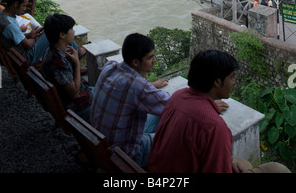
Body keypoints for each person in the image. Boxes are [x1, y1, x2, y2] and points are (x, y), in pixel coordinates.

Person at [147, 50, 290, 174]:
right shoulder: (214, 127)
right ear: (216, 82)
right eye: (232, 77)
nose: (234, 82)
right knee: (277, 169)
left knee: (240, 162)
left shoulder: (178, 97)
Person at [90, 32, 171, 168]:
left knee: (158, 114)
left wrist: (152, 85)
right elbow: (173, 105)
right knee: (175, 139)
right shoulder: (137, 86)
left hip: (101, 144)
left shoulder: (109, 67)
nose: (155, 60)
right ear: (135, 62)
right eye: (150, 57)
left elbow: (130, 88)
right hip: (126, 154)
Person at [42, 13, 93, 123]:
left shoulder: (51, 51)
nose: (74, 31)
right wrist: (77, 63)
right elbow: (75, 94)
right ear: (62, 35)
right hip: (75, 109)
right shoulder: (58, 62)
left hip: (62, 101)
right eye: (71, 29)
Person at [0, 0, 48, 65]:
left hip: (14, 55)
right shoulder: (10, 25)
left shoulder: (1, 15)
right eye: (23, 6)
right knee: (50, 32)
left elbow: (14, 36)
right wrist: (33, 36)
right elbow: (28, 45)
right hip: (24, 58)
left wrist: (29, 35)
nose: (24, 9)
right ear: (16, 4)